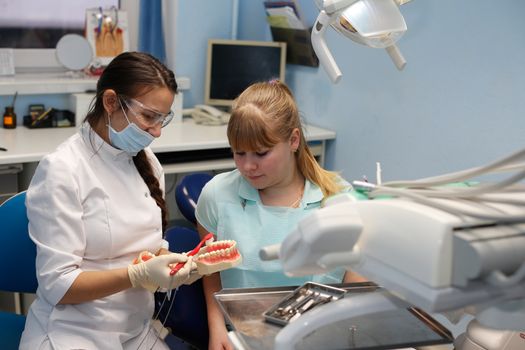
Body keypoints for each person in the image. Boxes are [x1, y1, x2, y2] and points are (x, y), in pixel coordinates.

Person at [19, 52, 199, 350]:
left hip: (134, 330)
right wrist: (136, 274)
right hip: (73, 333)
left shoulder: (149, 163)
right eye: (148, 117)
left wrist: (167, 267)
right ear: (111, 101)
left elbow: (142, 247)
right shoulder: (63, 169)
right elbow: (58, 286)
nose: (156, 132)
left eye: (162, 119)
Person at [195, 80, 367, 349]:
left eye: (262, 153)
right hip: (242, 339)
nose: (248, 166)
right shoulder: (217, 195)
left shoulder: (337, 200)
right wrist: (216, 328)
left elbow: (357, 287)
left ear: (293, 140)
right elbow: (210, 272)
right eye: (239, 153)